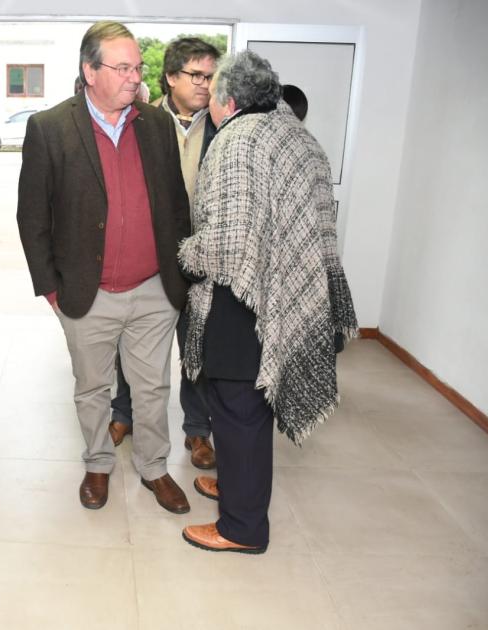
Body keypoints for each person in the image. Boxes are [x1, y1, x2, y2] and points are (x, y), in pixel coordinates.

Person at [178, 51, 358, 554]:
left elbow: (226, 245)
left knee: (237, 412)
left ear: (229, 101)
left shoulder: (237, 140)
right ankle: (240, 489)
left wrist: (187, 254)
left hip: (244, 298)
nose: (208, 100)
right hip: (285, 291)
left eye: (212, 92)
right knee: (251, 409)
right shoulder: (299, 136)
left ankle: (241, 526)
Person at [17, 21, 192, 514]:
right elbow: (31, 215)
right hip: (85, 291)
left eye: (138, 67)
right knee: (92, 387)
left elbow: (175, 204)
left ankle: (155, 467)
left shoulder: (155, 125)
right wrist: (50, 288)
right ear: (89, 71)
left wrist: (178, 271)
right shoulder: (50, 128)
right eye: (122, 67)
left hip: (154, 288)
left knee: (153, 386)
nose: (135, 77)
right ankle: (98, 463)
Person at [109, 36, 221, 472]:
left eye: (211, 77)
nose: (205, 85)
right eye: (196, 75)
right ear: (171, 77)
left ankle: (197, 429)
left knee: (197, 346)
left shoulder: (223, 127)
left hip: (205, 258)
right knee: (132, 344)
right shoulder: (141, 122)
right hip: (151, 255)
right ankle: (124, 414)